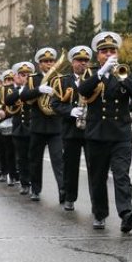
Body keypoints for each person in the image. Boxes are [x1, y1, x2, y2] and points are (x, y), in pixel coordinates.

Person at [78, 31, 132, 231]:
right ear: (98, 55)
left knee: (121, 174)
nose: (109, 55)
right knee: (97, 178)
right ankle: (100, 213)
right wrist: (101, 73)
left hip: (120, 134)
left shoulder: (124, 72)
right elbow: (83, 90)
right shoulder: (91, 74)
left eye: (112, 51)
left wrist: (122, 78)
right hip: (97, 135)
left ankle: (126, 213)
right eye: (104, 52)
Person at [19, 47, 64, 202]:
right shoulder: (33, 79)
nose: (49, 64)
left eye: (51, 61)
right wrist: (39, 89)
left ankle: (63, 191)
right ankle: (36, 190)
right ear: (39, 64)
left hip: (55, 126)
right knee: (35, 160)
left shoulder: (60, 78)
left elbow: (65, 98)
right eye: (45, 61)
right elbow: (24, 96)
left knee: (59, 160)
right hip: (38, 126)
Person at [51, 46, 93, 211]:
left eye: (85, 60)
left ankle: (95, 201)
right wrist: (70, 111)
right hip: (70, 131)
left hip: (91, 130)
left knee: (94, 168)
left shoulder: (95, 78)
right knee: (70, 167)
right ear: (72, 62)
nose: (82, 63)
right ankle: (69, 197)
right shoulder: (62, 81)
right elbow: (55, 104)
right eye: (79, 60)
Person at [5, 62, 33, 195]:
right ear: (16, 76)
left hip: (33, 127)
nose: (25, 77)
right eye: (22, 75)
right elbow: (8, 100)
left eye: (28, 75)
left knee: (32, 157)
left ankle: (33, 181)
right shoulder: (13, 90)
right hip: (19, 128)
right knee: (21, 158)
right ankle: (24, 183)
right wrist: (21, 90)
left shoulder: (35, 88)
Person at [0, 70, 18, 186]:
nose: (9, 82)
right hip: (5, 123)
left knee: (20, 152)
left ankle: (18, 175)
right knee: (7, 151)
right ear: (3, 81)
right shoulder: (1, 90)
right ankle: (9, 174)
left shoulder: (19, 89)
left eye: (11, 79)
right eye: (7, 80)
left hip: (19, 124)